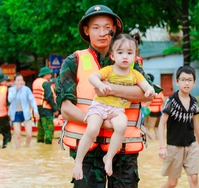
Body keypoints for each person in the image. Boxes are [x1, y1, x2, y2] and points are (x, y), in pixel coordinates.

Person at [56, 5, 156, 187]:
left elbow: (147, 94)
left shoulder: (132, 62)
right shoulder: (73, 62)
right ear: (86, 31)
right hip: (88, 151)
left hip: (124, 149)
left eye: (107, 28)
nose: (102, 33)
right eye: (95, 27)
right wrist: (102, 122)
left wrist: (110, 88)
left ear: (115, 30)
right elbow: (66, 109)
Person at [72, 33, 155, 180]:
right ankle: (78, 162)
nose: (125, 57)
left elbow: (147, 87)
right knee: (92, 128)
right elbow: (93, 77)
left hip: (117, 110)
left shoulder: (135, 74)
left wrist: (150, 91)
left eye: (129, 53)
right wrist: (100, 85)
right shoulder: (109, 70)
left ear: (135, 57)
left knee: (121, 126)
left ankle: (108, 157)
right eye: (120, 52)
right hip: (100, 106)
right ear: (112, 55)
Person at [157, 66, 199, 188]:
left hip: (191, 145)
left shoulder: (194, 102)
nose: (186, 83)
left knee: (194, 178)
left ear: (194, 83)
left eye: (189, 80)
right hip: (174, 146)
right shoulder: (171, 101)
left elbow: (196, 124)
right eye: (183, 80)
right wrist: (162, 147)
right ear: (177, 82)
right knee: (172, 183)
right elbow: (161, 123)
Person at [8, 73, 39, 149]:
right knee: (17, 134)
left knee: (29, 134)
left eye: (21, 80)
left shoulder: (27, 89)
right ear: (14, 81)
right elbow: (10, 100)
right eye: (18, 80)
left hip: (26, 114)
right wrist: (16, 90)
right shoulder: (11, 90)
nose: (20, 82)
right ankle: (18, 150)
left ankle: (27, 148)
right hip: (15, 114)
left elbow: (32, 100)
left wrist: (35, 111)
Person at [32, 67, 59, 144]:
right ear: (46, 74)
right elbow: (49, 97)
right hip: (46, 109)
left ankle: (40, 144)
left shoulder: (35, 82)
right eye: (49, 74)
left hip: (37, 109)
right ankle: (48, 146)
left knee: (40, 130)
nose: (50, 76)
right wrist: (55, 109)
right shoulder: (46, 83)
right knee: (49, 130)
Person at [144, 73, 165, 141]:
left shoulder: (150, 89)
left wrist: (144, 109)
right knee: (156, 127)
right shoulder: (158, 87)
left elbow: (149, 102)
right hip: (159, 111)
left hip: (151, 111)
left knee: (146, 128)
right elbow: (163, 99)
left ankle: (153, 140)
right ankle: (158, 140)